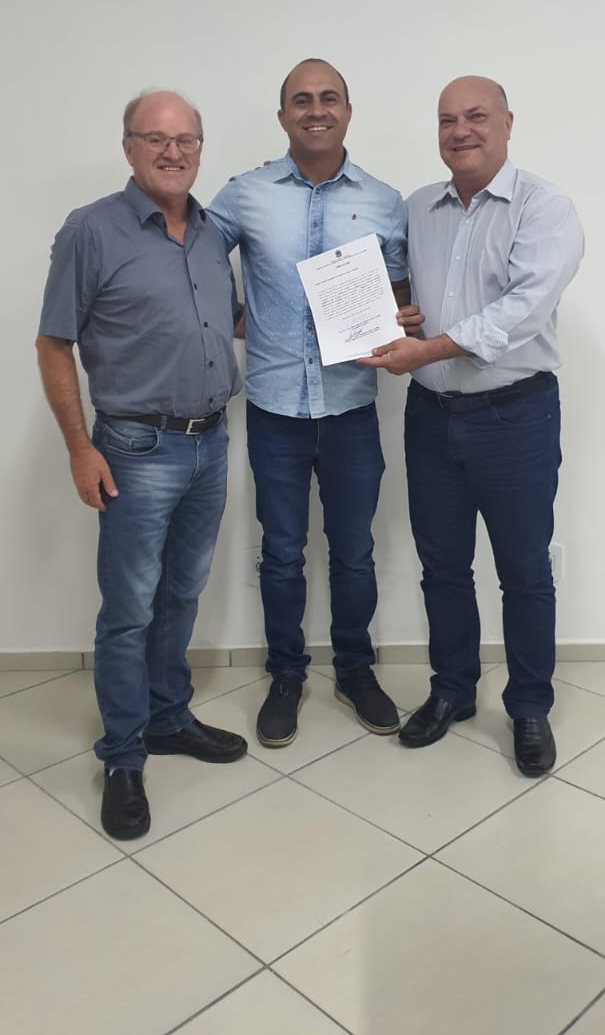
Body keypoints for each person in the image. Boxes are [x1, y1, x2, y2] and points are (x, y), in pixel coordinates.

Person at [36, 90, 247, 841]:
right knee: (128, 609)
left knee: (182, 593)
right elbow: (53, 343)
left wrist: (356, 314)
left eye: (186, 139)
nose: (172, 152)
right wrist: (79, 447)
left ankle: (166, 718)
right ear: (128, 148)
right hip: (135, 449)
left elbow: (230, 320)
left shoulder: (212, 232)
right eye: (155, 139)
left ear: (200, 149)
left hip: (210, 443)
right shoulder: (91, 231)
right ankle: (123, 757)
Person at [360, 75, 584, 777]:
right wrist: (395, 312)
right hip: (430, 418)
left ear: (507, 124)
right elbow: (398, 285)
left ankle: (528, 707)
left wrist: (427, 348)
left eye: (476, 116)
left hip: (514, 417)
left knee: (524, 571)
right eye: (447, 120)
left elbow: (521, 309)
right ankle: (452, 690)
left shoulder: (545, 208)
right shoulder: (416, 208)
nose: (460, 131)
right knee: (443, 568)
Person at [208, 58, 413, 748]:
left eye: (328, 98)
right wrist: (238, 319)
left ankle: (355, 670)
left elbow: (398, 292)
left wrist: (398, 320)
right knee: (281, 553)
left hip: (351, 409)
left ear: (347, 112)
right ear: (283, 116)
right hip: (275, 411)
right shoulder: (246, 193)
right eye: (301, 99)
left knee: (354, 552)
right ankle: (286, 676)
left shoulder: (384, 201)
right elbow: (191, 261)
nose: (315, 110)